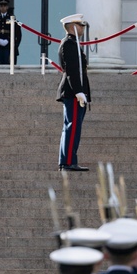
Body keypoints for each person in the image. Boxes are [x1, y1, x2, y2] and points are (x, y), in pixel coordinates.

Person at [56, 13, 91, 172]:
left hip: (74, 91)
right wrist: (78, 91)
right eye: (80, 25)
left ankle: (67, 160)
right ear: (73, 27)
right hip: (72, 92)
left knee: (72, 127)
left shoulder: (74, 43)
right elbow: (71, 70)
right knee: (72, 127)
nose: (83, 28)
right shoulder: (69, 44)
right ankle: (68, 161)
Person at [0, 0, 22, 65]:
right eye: (1, 6)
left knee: (8, 63)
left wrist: (10, 40)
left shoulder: (11, 18)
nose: (3, 8)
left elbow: (17, 33)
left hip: (9, 45)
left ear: (7, 7)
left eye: (4, 6)